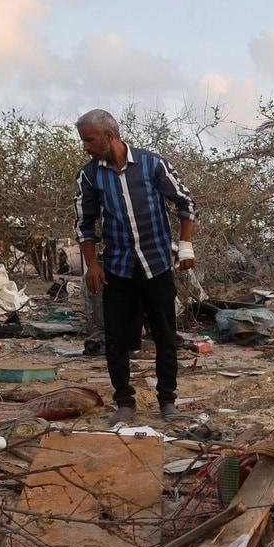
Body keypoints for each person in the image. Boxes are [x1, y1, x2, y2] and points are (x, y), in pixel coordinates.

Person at [73, 108, 197, 423]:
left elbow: (185, 202)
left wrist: (185, 246)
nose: (85, 146)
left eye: (88, 140)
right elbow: (84, 224)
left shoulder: (153, 165)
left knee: (165, 336)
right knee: (115, 339)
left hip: (156, 264)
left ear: (108, 136)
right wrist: (91, 265)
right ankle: (124, 403)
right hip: (117, 269)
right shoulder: (89, 176)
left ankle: (167, 401)